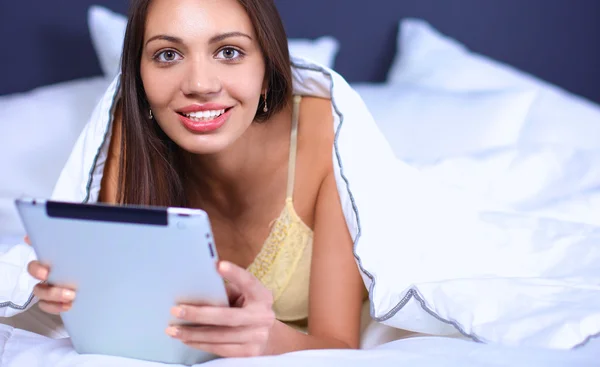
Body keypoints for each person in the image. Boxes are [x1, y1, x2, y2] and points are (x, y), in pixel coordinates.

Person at [25, 0, 366, 358]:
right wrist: (78, 293)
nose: (200, 85)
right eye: (168, 55)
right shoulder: (126, 140)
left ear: (267, 71)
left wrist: (266, 340)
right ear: (139, 77)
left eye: (229, 51)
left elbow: (340, 347)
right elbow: (130, 315)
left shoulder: (328, 133)